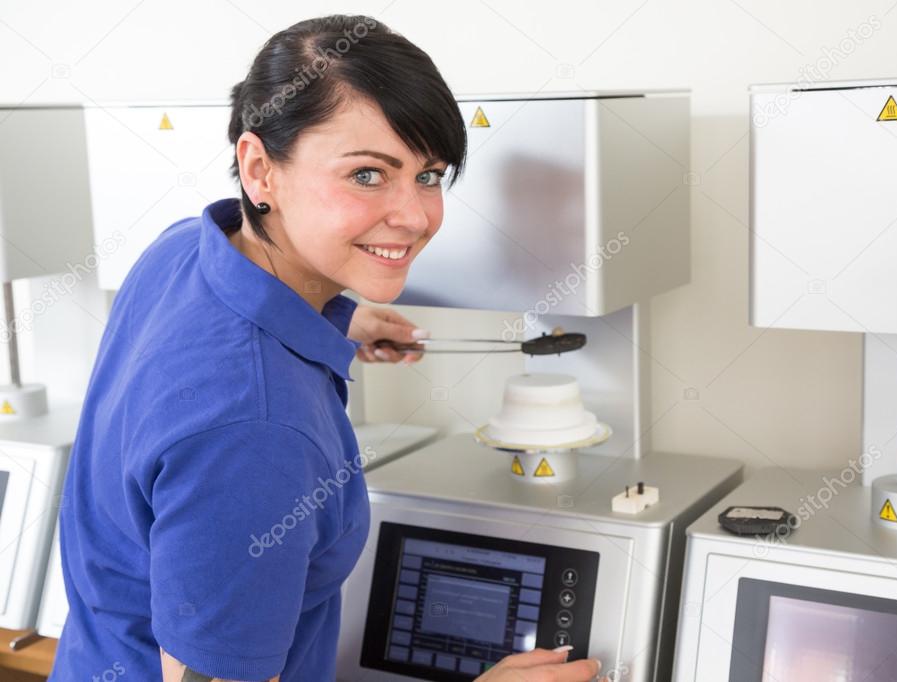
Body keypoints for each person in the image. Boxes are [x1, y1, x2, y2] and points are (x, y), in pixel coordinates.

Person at [50, 14, 602, 682]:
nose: (414, 215)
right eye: (367, 175)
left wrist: (334, 322)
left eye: (429, 175)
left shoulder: (184, 249)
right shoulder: (258, 434)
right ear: (260, 168)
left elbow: (210, 346)